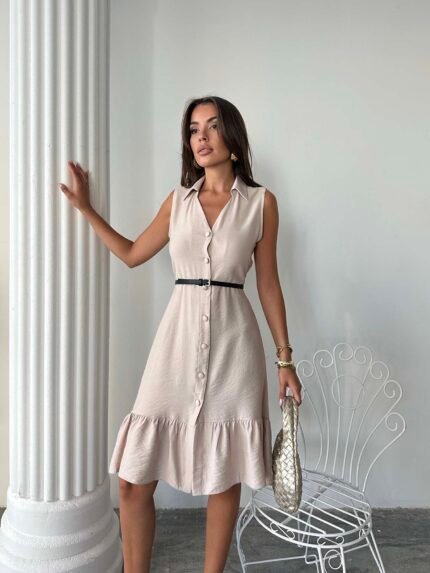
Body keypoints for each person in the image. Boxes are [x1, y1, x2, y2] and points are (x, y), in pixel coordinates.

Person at [59, 95, 302, 573]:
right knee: (132, 482)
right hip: (176, 343)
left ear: (233, 139)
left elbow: (269, 283)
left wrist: (285, 359)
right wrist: (87, 210)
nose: (201, 137)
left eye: (212, 126)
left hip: (234, 347)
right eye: (193, 129)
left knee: (224, 475)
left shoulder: (261, 204)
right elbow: (133, 254)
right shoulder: (179, 202)